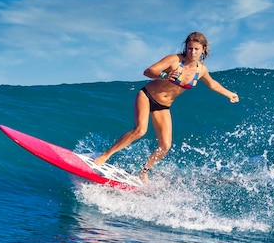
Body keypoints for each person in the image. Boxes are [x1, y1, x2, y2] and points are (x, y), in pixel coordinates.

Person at [93, 32, 239, 182]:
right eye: (189, 48)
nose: (192, 52)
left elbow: (212, 83)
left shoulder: (201, 70)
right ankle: (106, 155)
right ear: (186, 48)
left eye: (196, 49)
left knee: (165, 145)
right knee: (140, 130)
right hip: (147, 96)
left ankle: (144, 171)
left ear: (203, 49)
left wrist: (229, 94)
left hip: (163, 106)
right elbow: (148, 71)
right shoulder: (175, 60)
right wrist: (164, 76)